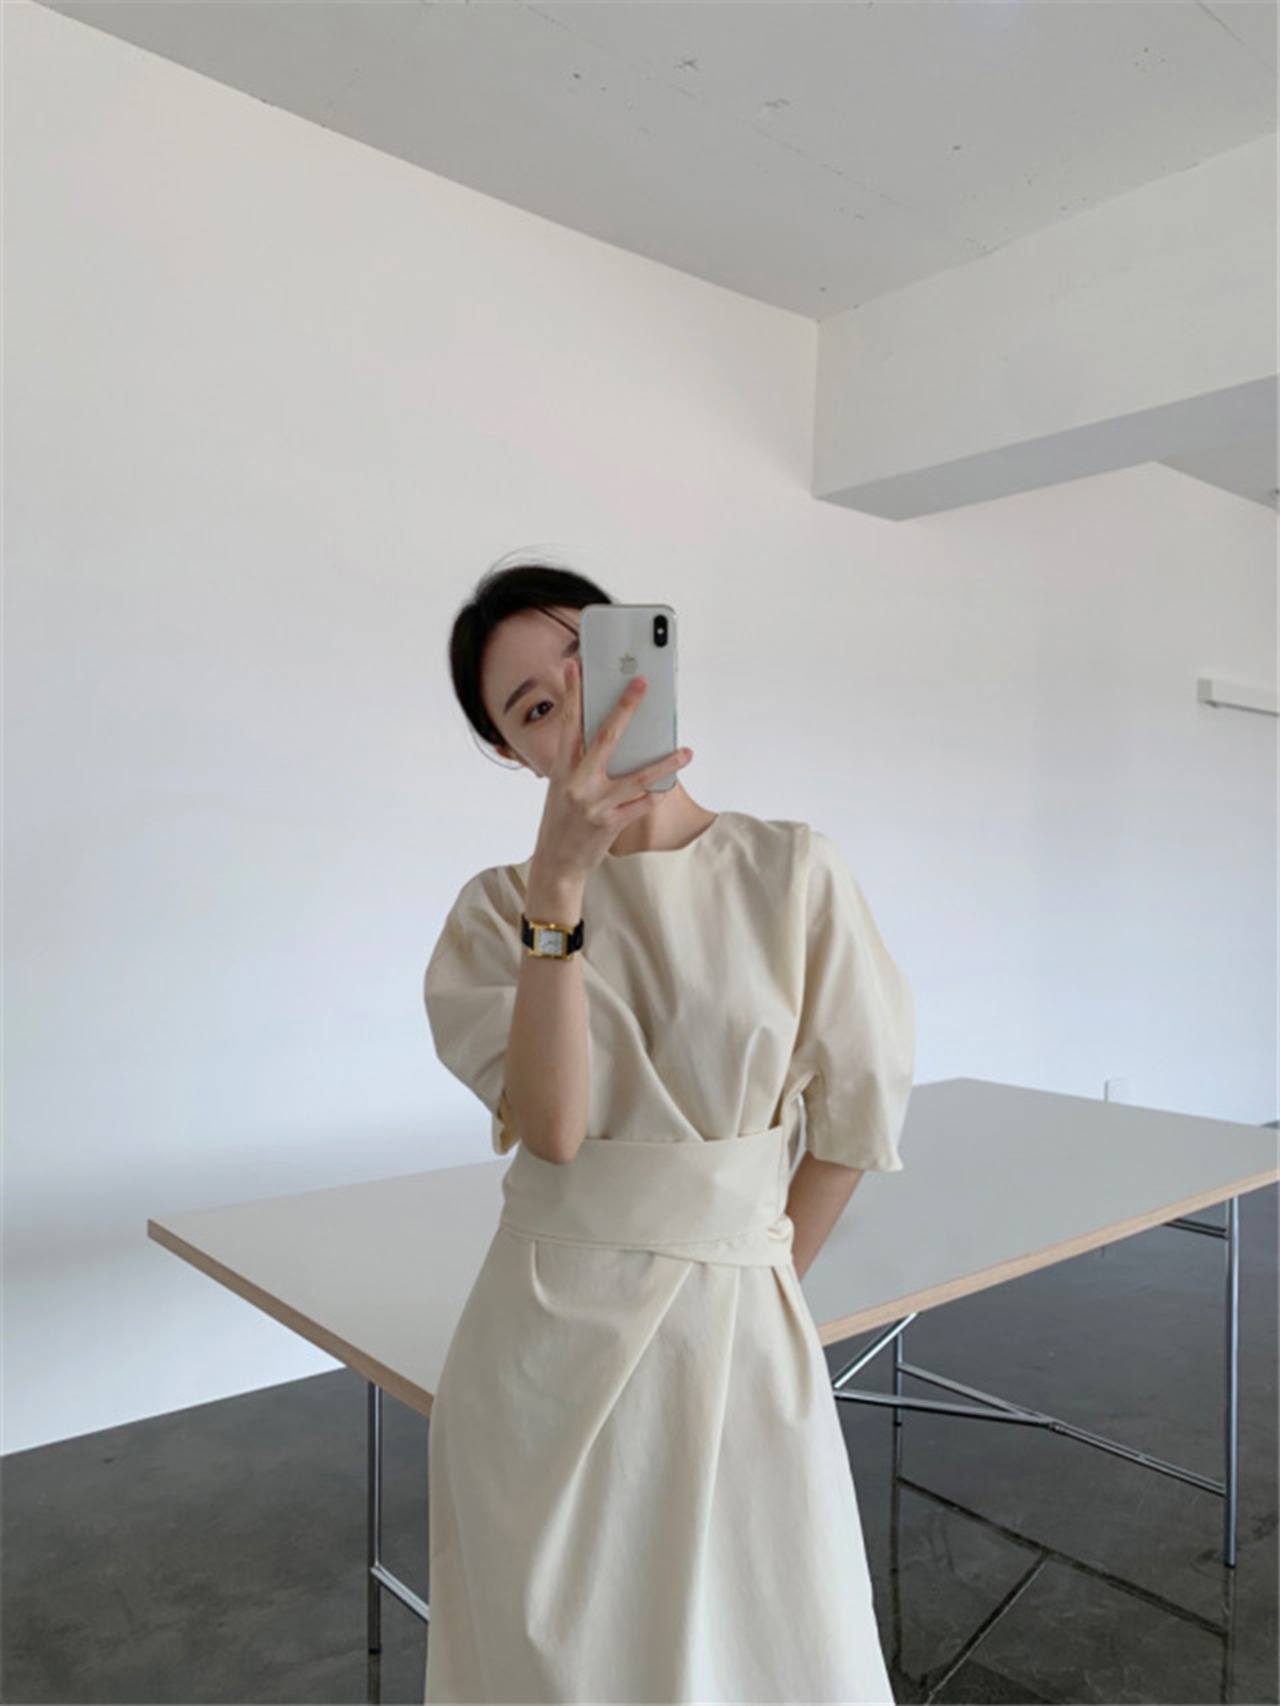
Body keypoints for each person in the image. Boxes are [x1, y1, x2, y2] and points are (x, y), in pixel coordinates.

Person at [422, 559, 915, 1704]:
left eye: (584, 663)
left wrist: (749, 1272)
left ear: (643, 658)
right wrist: (557, 893)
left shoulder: (791, 870)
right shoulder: (495, 914)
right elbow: (554, 1128)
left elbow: (855, 1116)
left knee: (775, 1642)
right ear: (512, 754)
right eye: (532, 708)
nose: (575, 710)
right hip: (536, 1353)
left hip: (734, 1326)